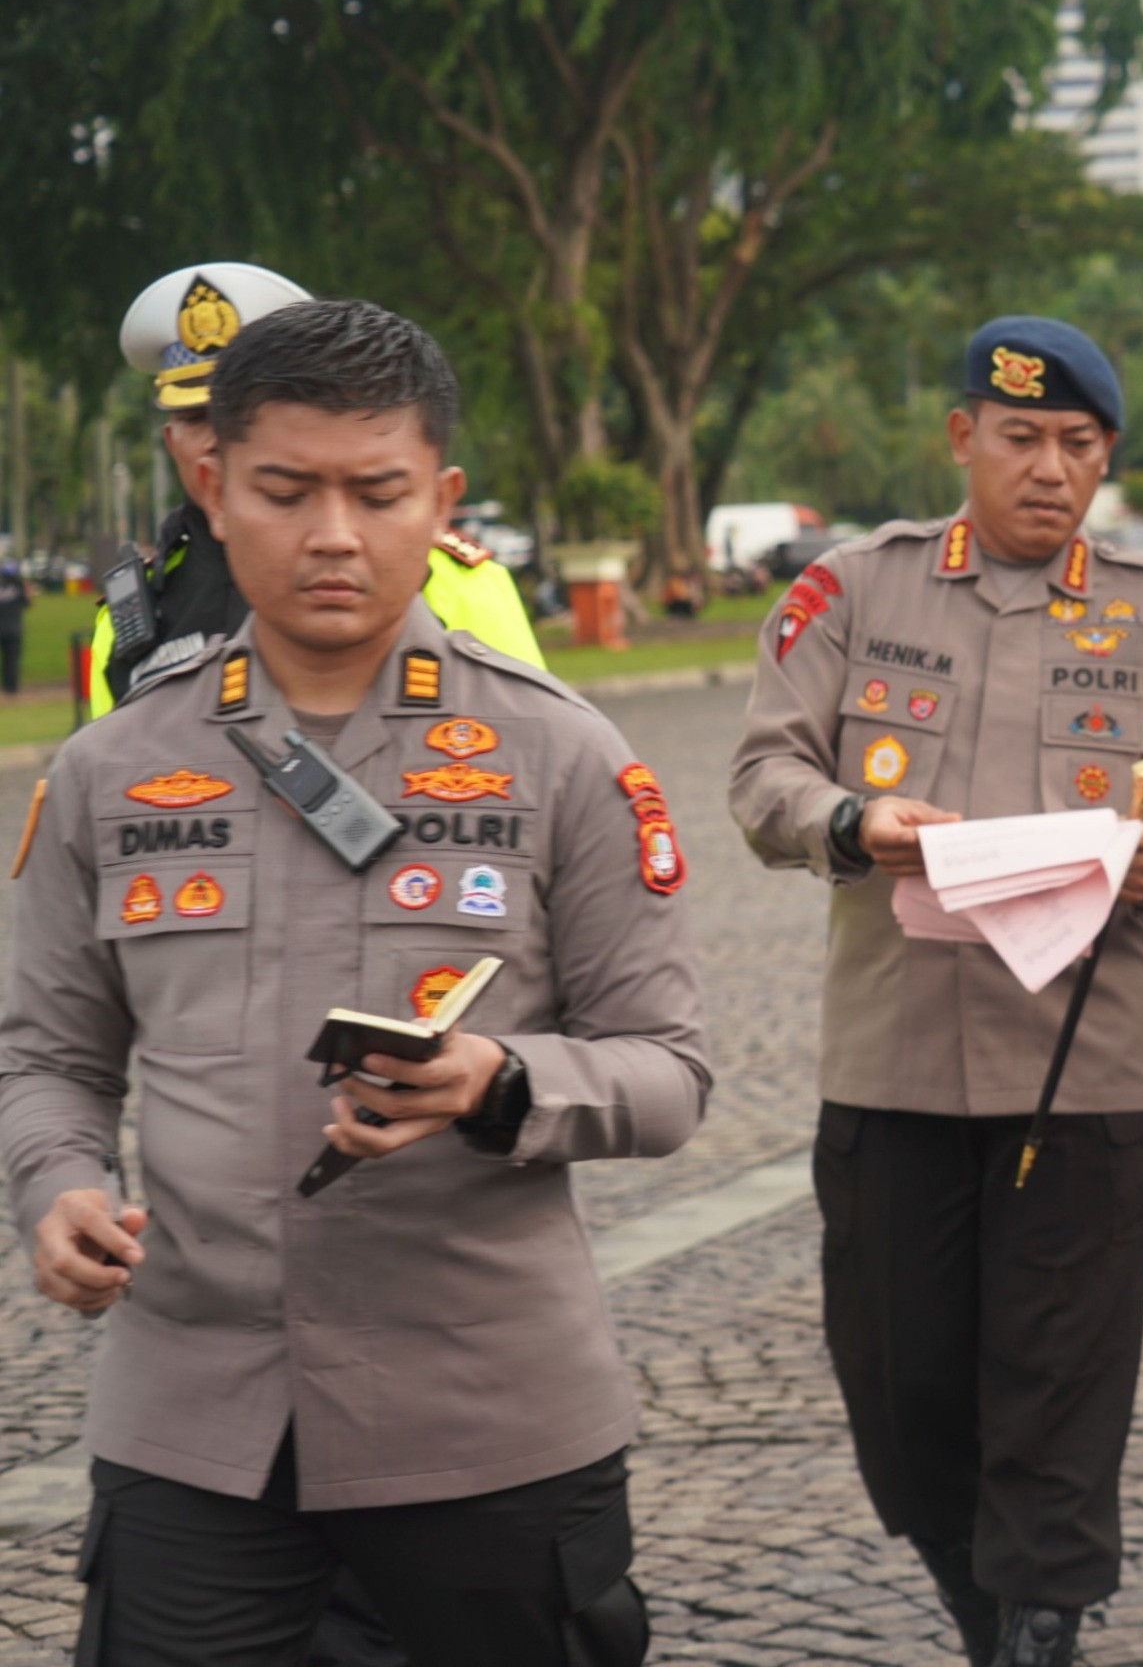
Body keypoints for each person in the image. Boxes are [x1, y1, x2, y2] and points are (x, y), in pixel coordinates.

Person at [0, 298, 711, 1667]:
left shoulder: (562, 756)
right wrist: (58, 1190)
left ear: (440, 498)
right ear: (213, 486)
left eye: (378, 493)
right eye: (286, 489)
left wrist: (502, 1082)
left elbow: (669, 1070)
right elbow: (46, 1057)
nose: (334, 534)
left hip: (489, 1419)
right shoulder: (108, 767)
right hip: (196, 1421)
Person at [728, 315, 1143, 1667]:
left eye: (1078, 445)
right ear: (963, 436)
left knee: (1058, 1398)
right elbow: (763, 779)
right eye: (1020, 437)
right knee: (905, 1405)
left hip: (1083, 1075)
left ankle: (1036, 1632)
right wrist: (855, 821)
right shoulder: (854, 592)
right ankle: (994, 1608)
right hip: (894, 1068)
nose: (1048, 468)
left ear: (1107, 462)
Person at [92, 264, 543, 716]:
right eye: (196, 418)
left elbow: (527, 744)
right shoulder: (132, 613)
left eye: (238, 420)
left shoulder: (459, 581)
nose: (219, 439)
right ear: (172, 443)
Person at [0, 559, 28, 695]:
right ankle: (11, 688)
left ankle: (5, 686)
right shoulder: (18, 588)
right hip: (14, 630)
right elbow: (28, 603)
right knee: (11, 660)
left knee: (8, 660)